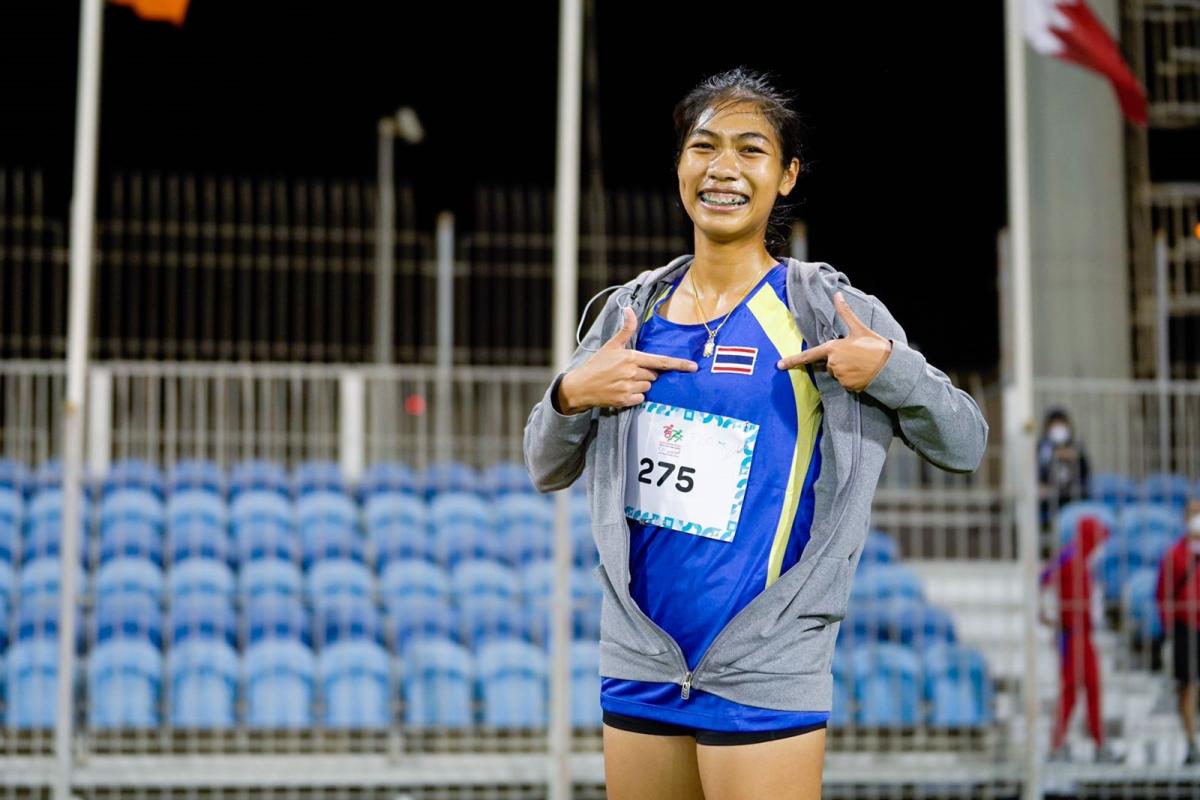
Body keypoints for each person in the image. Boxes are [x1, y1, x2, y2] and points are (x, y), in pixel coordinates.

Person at [523, 66, 988, 800]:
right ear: (680, 165)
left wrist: (892, 370)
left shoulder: (828, 309)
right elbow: (543, 464)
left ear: (788, 175)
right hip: (642, 667)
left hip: (767, 669)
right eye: (704, 147)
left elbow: (966, 445)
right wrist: (569, 393)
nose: (723, 169)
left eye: (751, 150)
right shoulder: (627, 312)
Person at [1038, 516, 1123, 763]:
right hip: (1071, 634)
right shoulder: (1070, 556)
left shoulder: (1085, 560)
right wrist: (1046, 614)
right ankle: (1057, 745)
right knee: (1071, 690)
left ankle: (1098, 743)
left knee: (1093, 688)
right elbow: (1043, 579)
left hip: (1085, 634)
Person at [1155, 498, 1200, 766]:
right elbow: (1163, 593)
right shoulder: (1175, 554)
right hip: (1186, 627)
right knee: (1187, 685)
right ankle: (1191, 742)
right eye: (1193, 513)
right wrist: (1169, 626)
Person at [1037, 407, 1091, 528]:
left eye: (1061, 424)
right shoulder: (1042, 449)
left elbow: (1085, 473)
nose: (1058, 428)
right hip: (1047, 500)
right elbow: (1036, 472)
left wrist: (1075, 458)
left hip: (1073, 497)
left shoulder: (1077, 447)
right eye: (1054, 425)